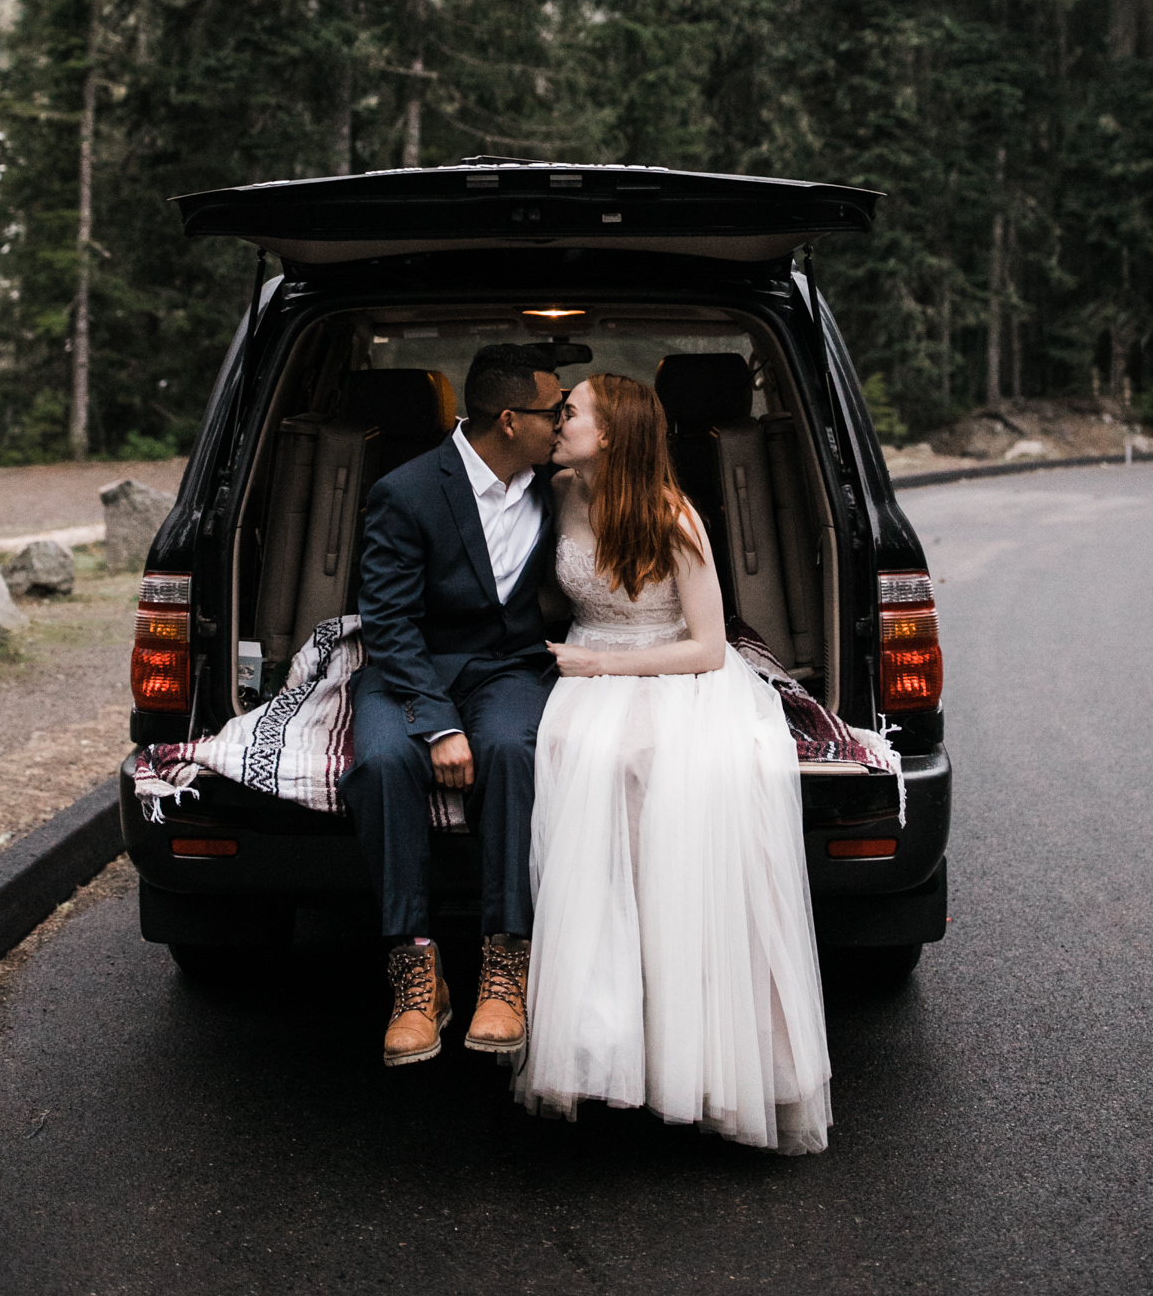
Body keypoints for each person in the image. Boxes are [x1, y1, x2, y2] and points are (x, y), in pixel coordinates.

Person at [514, 373, 832, 1154]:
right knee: (568, 755)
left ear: (612, 433)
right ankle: (596, 1039)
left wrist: (604, 670)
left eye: (572, 412)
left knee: (654, 766)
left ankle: (685, 1045)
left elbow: (707, 645)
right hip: (582, 658)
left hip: (670, 673)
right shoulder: (560, 491)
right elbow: (564, 599)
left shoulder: (672, 515)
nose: (559, 422)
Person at [345, 340, 574, 1068]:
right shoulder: (406, 491)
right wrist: (437, 722)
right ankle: (416, 973)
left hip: (506, 666)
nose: (563, 422)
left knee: (513, 750)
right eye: (553, 410)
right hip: (412, 668)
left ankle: (506, 962)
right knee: (380, 762)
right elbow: (387, 622)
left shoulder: (557, 486)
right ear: (509, 420)